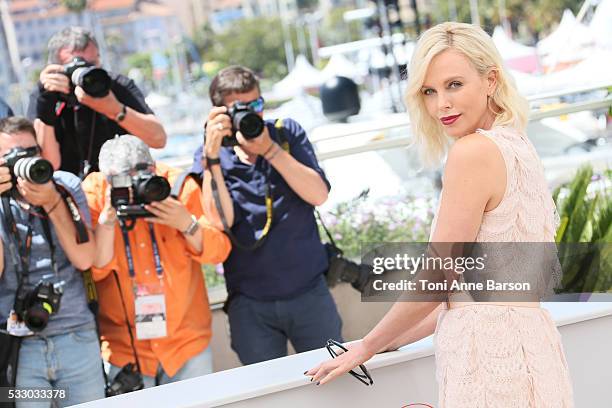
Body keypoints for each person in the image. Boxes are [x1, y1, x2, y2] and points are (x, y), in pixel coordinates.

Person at [305, 22, 574, 407]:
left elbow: (438, 274)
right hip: (533, 354)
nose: (440, 105)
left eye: (454, 85)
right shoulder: (519, 146)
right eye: (429, 91)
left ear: (490, 80)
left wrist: (366, 345)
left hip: (489, 365)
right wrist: (391, 339)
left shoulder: (473, 153)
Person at [192, 65, 343, 365]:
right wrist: (211, 156)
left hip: (309, 293)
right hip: (250, 306)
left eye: (257, 104)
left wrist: (270, 150)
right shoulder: (212, 154)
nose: (253, 115)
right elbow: (221, 220)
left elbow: (319, 195)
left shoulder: (286, 134)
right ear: (219, 113)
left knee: (335, 388)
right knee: (266, 395)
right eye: (241, 108)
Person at [82, 135, 231, 388]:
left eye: (141, 177)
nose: (134, 189)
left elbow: (219, 251)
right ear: (107, 178)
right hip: (127, 350)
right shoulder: (95, 193)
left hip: (186, 343)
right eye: (123, 182)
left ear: (153, 166)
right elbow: (93, 270)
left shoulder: (175, 185)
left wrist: (187, 224)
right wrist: (107, 221)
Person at [0, 116, 104, 406]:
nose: (24, 163)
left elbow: (85, 259)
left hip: (77, 339)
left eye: (30, 153)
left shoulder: (64, 186)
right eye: (11, 157)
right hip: (20, 348)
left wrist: (52, 202)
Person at [27, 26, 166, 178]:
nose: (86, 73)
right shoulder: (46, 96)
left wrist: (115, 110)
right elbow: (49, 164)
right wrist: (47, 109)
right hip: (69, 191)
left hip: (121, 183)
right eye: (75, 67)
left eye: (91, 65)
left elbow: (159, 139)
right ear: (56, 68)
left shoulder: (115, 85)